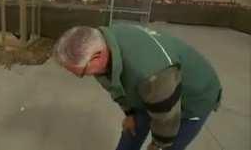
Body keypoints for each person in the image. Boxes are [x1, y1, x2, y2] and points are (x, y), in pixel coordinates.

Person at [53, 23, 222, 150]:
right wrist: (130, 113)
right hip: (155, 92)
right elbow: (115, 86)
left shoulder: (151, 72)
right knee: (130, 132)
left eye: (81, 72)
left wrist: (158, 145)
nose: (83, 77)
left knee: (168, 146)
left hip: (192, 100)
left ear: (98, 56)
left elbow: (167, 117)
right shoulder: (104, 44)